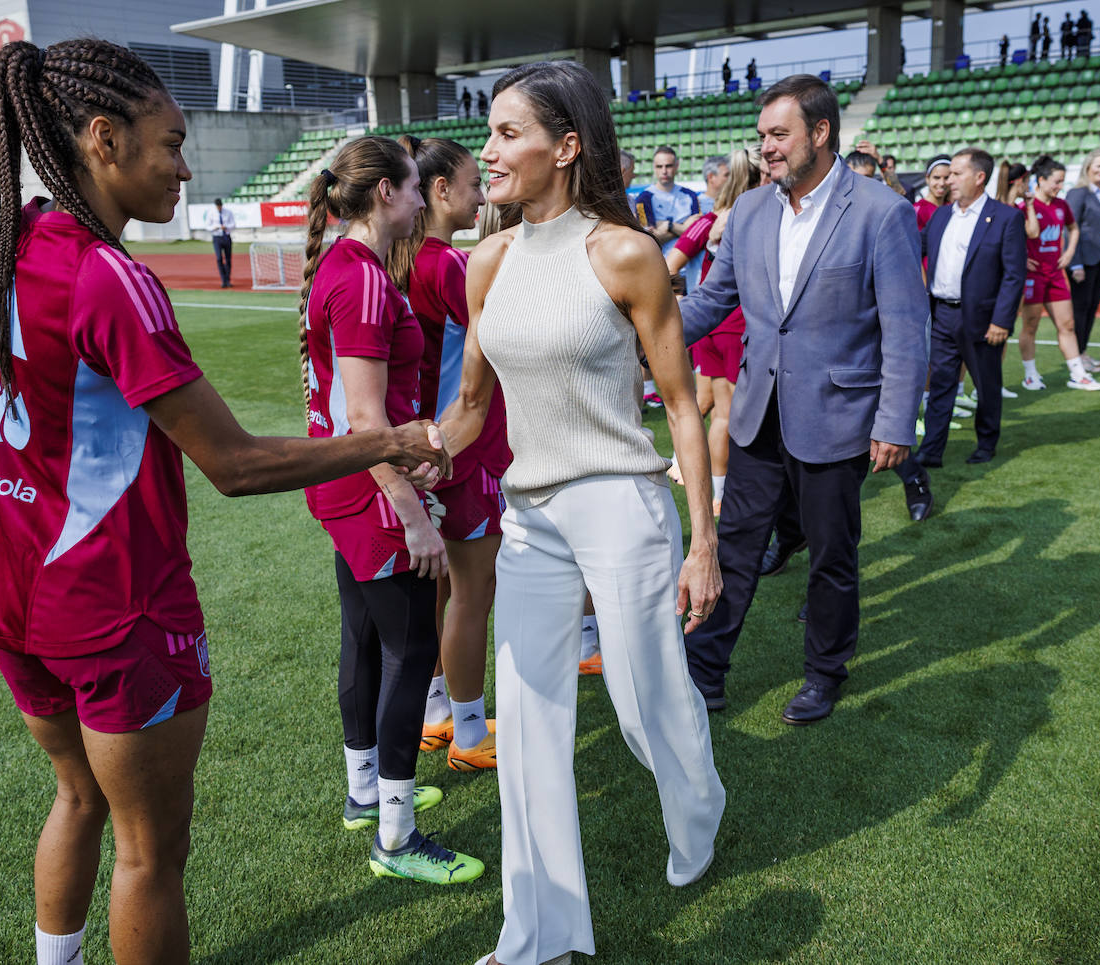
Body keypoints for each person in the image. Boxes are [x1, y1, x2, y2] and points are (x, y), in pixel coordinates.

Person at [0, 39, 448, 965]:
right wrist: (388, 440)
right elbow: (236, 463)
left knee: (76, 797)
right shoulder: (112, 276)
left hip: (6, 589)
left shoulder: (1, 252)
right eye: (171, 143)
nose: (184, 166)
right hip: (111, 604)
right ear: (103, 139)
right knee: (149, 854)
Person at [437, 59, 725, 965]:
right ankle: (540, 937)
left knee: (646, 699)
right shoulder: (486, 260)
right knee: (527, 724)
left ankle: (698, 804)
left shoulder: (626, 253)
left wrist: (704, 542)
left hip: (623, 502)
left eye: (508, 133)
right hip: (529, 516)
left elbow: (681, 405)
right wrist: (410, 450)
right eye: (488, 133)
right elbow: (474, 404)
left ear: (566, 147)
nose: (489, 152)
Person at [677, 74, 927, 719]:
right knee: (733, 545)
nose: (767, 148)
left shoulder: (881, 211)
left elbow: (905, 327)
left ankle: (824, 672)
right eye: (762, 136)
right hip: (758, 414)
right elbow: (712, 301)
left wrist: (895, 422)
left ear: (820, 133)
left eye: (778, 135)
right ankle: (703, 673)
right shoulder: (754, 210)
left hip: (838, 417)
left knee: (831, 557)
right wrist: (641, 329)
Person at [297, 137, 484, 883]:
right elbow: (367, 422)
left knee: (366, 641)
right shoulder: (365, 280)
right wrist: (409, 508)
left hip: (346, 487)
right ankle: (398, 838)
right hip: (371, 494)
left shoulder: (346, 267)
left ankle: (364, 793)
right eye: (412, 188)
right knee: (409, 653)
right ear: (384, 195)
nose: (422, 199)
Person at [388, 136, 508, 772]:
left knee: (442, 588)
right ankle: (468, 728)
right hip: (466, 444)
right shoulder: (448, 266)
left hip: (424, 441)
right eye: (471, 185)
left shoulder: (403, 261)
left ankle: (438, 712)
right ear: (439, 192)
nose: (480, 196)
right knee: (471, 590)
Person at [901, 147, 1025, 471]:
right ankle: (931, 450)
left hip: (982, 320)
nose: (949, 181)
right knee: (941, 382)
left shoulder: (1006, 218)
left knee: (986, 384)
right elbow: (916, 247)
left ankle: (986, 443)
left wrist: (1002, 320)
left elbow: (1014, 275)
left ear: (979, 177)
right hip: (942, 314)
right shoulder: (942, 215)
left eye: (957, 174)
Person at [666, 146, 763, 516]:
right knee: (727, 414)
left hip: (708, 326)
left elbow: (668, 264)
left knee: (703, 401)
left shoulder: (709, 219)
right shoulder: (752, 219)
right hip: (735, 324)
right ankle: (719, 495)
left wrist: (677, 303)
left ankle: (679, 459)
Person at [1016, 156, 1100, 391]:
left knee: (1067, 325)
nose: (1059, 187)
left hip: (1055, 274)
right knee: (1030, 326)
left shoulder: (1061, 205)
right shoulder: (1025, 207)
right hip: (1034, 276)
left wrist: (1070, 251)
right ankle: (1031, 375)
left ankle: (1078, 374)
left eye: (1062, 182)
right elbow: (1011, 238)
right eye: (1056, 181)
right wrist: (1022, 257)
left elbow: (1073, 228)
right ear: (1041, 180)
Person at [1066, 148, 1100, 373]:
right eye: (1099, 165)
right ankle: (1076, 355)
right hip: (1084, 259)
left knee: (1092, 307)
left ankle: (1083, 351)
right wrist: (1075, 263)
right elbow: (1070, 229)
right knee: (1081, 308)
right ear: (1088, 166)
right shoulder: (1079, 193)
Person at [635, 145, 701, 254]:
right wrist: (683, 227)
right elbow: (649, 240)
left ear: (677, 166)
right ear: (654, 167)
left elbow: (698, 233)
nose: (664, 171)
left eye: (668, 166)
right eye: (659, 166)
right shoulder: (643, 198)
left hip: (689, 266)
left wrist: (668, 225)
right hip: (659, 264)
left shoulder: (691, 195)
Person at [916, 155, 952, 232]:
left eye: (946, 178)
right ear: (927, 178)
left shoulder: (954, 207)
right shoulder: (918, 210)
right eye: (936, 177)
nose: (942, 183)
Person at [205, 197, 235, 287]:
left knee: (228, 259)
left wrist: (225, 226)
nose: (219, 208)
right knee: (219, 259)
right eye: (218, 206)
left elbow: (233, 224)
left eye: (220, 206)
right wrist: (215, 227)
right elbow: (207, 226)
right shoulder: (211, 213)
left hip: (226, 237)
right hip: (217, 237)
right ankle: (223, 280)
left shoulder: (228, 212)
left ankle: (227, 279)